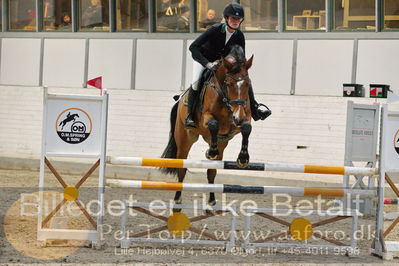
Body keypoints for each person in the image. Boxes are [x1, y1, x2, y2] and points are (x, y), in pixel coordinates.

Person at [185, 3, 271, 128]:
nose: (236, 21)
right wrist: (207, 64)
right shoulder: (214, 29)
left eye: (238, 19)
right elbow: (193, 47)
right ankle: (190, 116)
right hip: (203, 59)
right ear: (226, 19)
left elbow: (241, 58)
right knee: (196, 82)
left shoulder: (239, 35)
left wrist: (239, 68)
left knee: (244, 80)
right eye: (233, 18)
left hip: (222, 63)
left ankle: (255, 110)